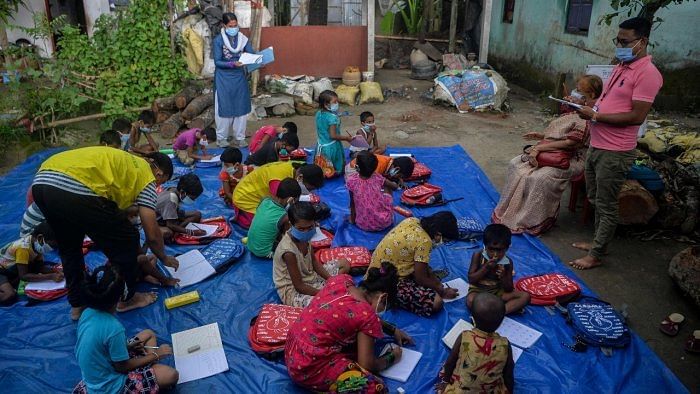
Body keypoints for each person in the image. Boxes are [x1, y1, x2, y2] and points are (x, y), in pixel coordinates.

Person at [31, 147, 180, 320]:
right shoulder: (147, 177)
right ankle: (127, 299)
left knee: (69, 247)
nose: (158, 187)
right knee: (128, 240)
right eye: (161, 183)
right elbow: (152, 234)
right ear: (159, 173)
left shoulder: (129, 161)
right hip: (76, 188)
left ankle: (77, 305)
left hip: (43, 181)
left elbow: (111, 209)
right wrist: (164, 257)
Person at [571, 17, 663, 270]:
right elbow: (610, 102)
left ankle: (597, 253)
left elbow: (637, 116)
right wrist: (589, 107)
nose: (619, 45)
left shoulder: (648, 74)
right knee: (594, 196)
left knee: (607, 203)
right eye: (617, 40)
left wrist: (597, 116)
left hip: (616, 151)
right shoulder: (623, 65)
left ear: (641, 42)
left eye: (625, 41)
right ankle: (598, 242)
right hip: (598, 144)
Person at [492, 75, 603, 235]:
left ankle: (533, 220)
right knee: (516, 166)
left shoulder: (589, 114)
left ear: (591, 94)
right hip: (552, 149)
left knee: (539, 178)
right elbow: (559, 134)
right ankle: (513, 210)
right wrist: (540, 136)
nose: (576, 92)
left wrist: (539, 149)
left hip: (573, 157)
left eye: (580, 90)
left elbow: (571, 143)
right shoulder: (576, 110)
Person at [285, 263, 415, 393]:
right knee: (374, 387)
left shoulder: (340, 280)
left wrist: (392, 329)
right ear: (383, 297)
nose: (383, 311)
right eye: (385, 306)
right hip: (307, 367)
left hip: (293, 347)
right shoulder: (367, 316)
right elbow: (367, 364)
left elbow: (356, 313)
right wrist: (391, 357)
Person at [73, 266, 178, 394]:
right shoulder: (113, 328)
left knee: (148, 334)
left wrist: (127, 347)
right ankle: (150, 368)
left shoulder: (87, 313)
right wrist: (156, 354)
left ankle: (150, 368)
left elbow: (99, 347)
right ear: (119, 296)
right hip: (110, 388)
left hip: (96, 376)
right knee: (171, 375)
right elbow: (122, 367)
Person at [367, 211, 460, 317]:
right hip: (387, 281)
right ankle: (389, 298)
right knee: (436, 302)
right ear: (438, 234)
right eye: (445, 240)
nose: (443, 243)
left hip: (377, 269)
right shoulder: (425, 242)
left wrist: (435, 283)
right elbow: (420, 278)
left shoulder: (412, 221)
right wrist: (442, 291)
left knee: (429, 274)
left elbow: (423, 267)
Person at [273, 202, 350, 307]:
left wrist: (331, 280)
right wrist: (327, 293)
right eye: (301, 229)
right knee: (327, 305)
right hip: (294, 290)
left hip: (310, 276)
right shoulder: (288, 252)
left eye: (310, 227)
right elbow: (299, 286)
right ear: (291, 225)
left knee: (344, 264)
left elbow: (314, 261)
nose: (306, 231)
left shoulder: (304, 237)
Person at [436, 293, 514, 394]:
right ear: (501, 322)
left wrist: (445, 381)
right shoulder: (505, 344)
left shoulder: (464, 336)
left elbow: (450, 362)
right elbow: (508, 374)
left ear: (473, 318)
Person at [232, 161, 324, 229]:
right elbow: (277, 207)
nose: (309, 192)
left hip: (258, 191)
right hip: (245, 196)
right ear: (300, 177)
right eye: (309, 189)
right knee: (265, 223)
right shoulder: (278, 183)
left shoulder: (300, 166)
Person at [213, 12, 256, 148]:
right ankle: (221, 138)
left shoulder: (243, 39)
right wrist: (232, 64)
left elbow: (251, 53)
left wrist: (258, 59)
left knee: (241, 108)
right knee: (223, 108)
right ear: (224, 25)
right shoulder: (218, 40)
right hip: (223, 78)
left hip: (239, 77)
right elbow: (218, 62)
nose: (234, 28)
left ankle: (240, 137)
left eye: (235, 25)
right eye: (231, 25)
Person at [467, 224, 530, 315]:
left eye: (499, 250)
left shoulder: (507, 262)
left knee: (525, 296)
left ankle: (498, 313)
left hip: (497, 292)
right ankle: (497, 311)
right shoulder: (478, 255)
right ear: (485, 246)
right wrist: (486, 267)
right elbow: (471, 279)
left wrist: (503, 277)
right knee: (470, 300)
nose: (495, 254)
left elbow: (509, 288)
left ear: (507, 248)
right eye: (491, 249)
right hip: (478, 290)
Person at [0, 222, 62, 304]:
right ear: (40, 238)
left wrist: (56, 271)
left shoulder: (36, 244)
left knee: (32, 270)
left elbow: (40, 267)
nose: (52, 249)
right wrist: (51, 276)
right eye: (52, 246)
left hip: (10, 269)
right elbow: (23, 276)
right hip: (1, 271)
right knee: (9, 294)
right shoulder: (23, 249)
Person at [247, 178, 301, 258]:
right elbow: (287, 237)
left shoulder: (265, 200)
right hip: (264, 252)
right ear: (291, 200)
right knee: (293, 248)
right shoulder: (284, 217)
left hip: (250, 245)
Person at [347, 151, 395, 232]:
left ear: (357, 167)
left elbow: (352, 203)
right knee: (387, 188)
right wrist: (394, 183)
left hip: (363, 224)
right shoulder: (378, 177)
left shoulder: (351, 181)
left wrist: (352, 219)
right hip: (384, 222)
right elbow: (394, 186)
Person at [155, 173, 205, 242]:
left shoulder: (175, 189)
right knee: (167, 233)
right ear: (182, 192)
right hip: (158, 221)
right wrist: (192, 232)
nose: (193, 201)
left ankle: (178, 230)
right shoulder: (171, 199)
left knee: (197, 214)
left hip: (170, 215)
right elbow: (170, 225)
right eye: (191, 198)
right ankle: (176, 230)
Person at [316, 90, 352, 175]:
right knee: (335, 169)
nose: (337, 104)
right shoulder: (333, 119)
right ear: (326, 104)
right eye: (335, 102)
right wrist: (347, 138)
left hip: (321, 144)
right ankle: (334, 173)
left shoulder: (318, 113)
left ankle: (325, 172)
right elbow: (333, 135)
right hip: (331, 147)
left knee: (324, 166)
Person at [346, 154, 414, 189]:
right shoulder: (378, 166)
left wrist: (400, 179)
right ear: (397, 169)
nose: (399, 177)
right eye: (400, 176)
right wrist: (391, 185)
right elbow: (373, 180)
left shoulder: (391, 161)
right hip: (352, 170)